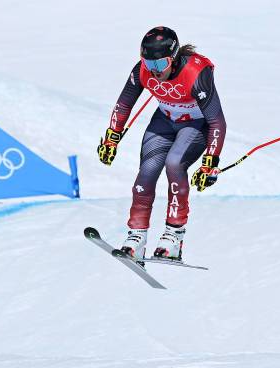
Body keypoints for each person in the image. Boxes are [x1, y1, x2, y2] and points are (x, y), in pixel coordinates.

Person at [97, 26, 226, 261]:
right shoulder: (142, 71)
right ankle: (136, 235)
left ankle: (173, 236)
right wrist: (111, 138)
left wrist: (210, 162)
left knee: (174, 163)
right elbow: (123, 104)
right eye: (148, 64)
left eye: (159, 65)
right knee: (146, 172)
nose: (154, 71)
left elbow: (217, 121)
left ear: (174, 58)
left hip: (195, 125)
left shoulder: (196, 73)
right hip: (164, 121)